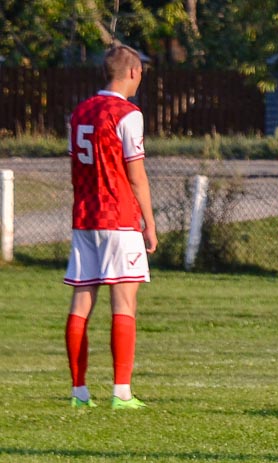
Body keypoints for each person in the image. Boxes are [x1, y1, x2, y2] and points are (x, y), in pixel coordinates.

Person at [64, 44, 157, 410]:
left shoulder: (80, 111)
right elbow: (136, 176)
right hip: (118, 218)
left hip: (84, 218)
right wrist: (149, 222)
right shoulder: (128, 114)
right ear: (133, 72)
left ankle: (79, 392)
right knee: (124, 300)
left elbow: (76, 165)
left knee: (81, 301)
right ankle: (121, 392)